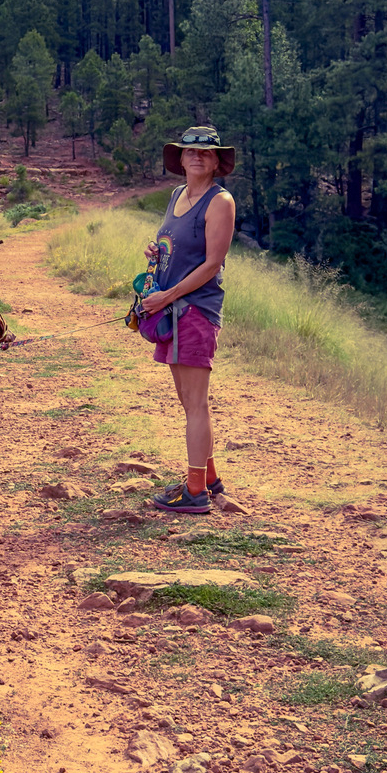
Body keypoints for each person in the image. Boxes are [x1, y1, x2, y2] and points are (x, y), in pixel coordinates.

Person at [138, 122, 236, 515]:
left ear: (216, 162)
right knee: (187, 401)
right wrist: (156, 251)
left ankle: (195, 493)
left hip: (194, 311)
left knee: (196, 403)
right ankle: (208, 480)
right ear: (179, 158)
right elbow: (179, 246)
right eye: (190, 150)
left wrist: (170, 294)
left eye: (206, 152)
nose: (197, 156)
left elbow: (213, 263)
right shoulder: (178, 195)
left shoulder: (220, 202)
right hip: (172, 310)